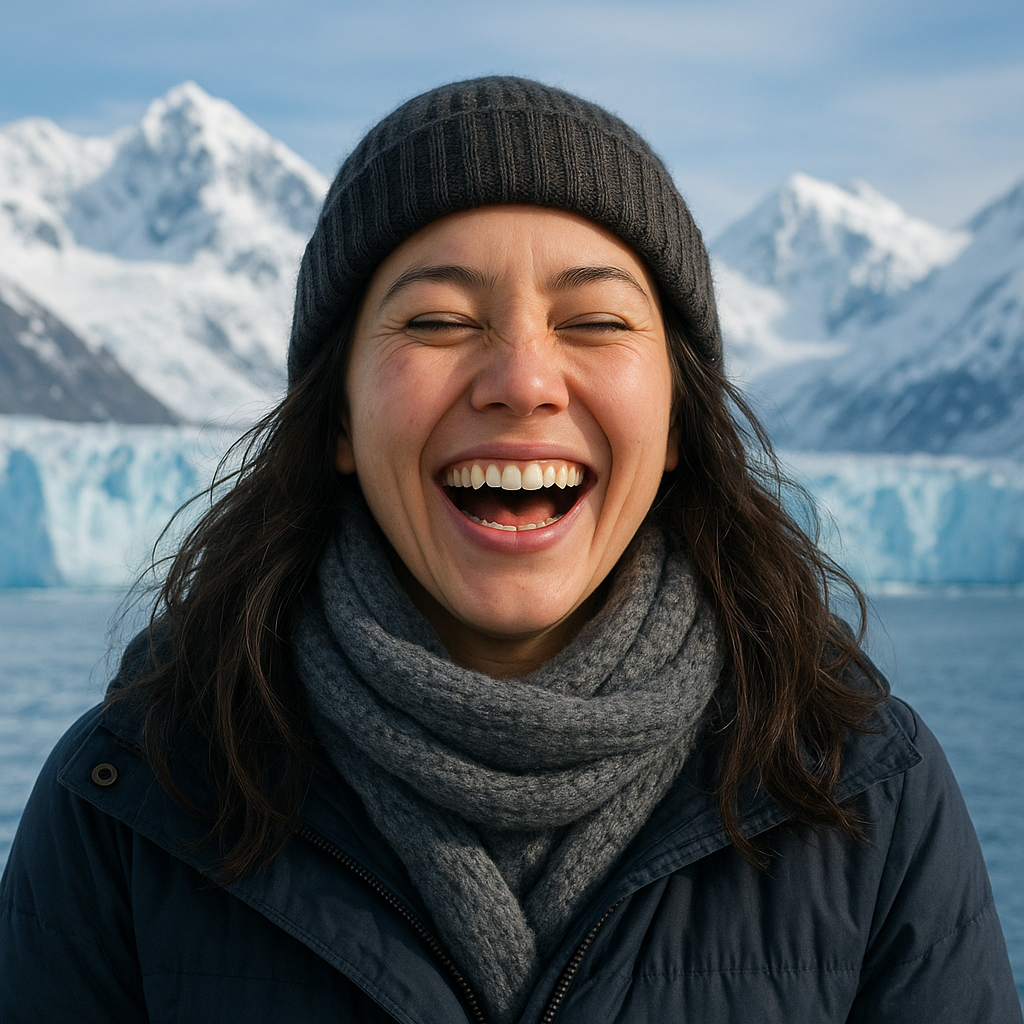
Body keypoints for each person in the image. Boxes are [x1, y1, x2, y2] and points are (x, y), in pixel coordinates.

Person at [0, 77, 1019, 1024]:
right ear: (339, 418)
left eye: (598, 321)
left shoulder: (863, 794)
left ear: (676, 419)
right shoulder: (134, 801)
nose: (523, 381)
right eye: (439, 321)